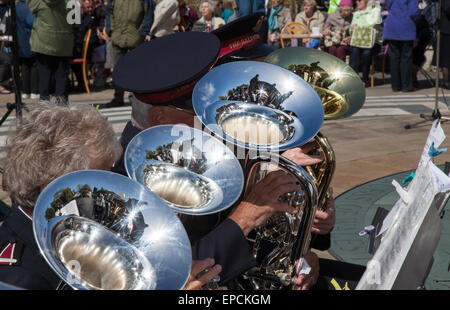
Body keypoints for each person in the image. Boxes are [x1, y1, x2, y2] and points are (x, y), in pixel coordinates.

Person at [112, 31, 338, 290]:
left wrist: (300, 255)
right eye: (196, 112)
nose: (210, 123)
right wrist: (245, 217)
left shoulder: (191, 146)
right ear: (160, 118)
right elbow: (168, 275)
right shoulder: (126, 176)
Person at [0, 101, 222, 290]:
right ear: (52, 186)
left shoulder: (71, 224)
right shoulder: (19, 275)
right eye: (98, 180)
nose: (111, 190)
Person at [102, 0, 154, 109]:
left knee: (135, 70)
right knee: (117, 70)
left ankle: (134, 98)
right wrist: (111, 30)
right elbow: (109, 11)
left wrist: (142, 32)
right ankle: (118, 97)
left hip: (135, 37)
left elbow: (148, 15)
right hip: (118, 36)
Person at [27, 0, 74, 104]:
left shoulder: (39, 2)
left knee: (44, 75)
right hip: (63, 43)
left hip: (43, 41)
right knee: (61, 75)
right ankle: (61, 105)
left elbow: (29, 5)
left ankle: (44, 104)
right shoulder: (70, 2)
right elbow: (76, 22)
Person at [383, 0, 420, 92]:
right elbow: (414, 12)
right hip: (405, 27)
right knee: (406, 58)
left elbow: (387, 6)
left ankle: (395, 85)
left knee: (394, 58)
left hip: (392, 27)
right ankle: (406, 85)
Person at [349, 0, 382, 87]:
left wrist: (359, 26)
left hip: (373, 42)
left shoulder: (375, 11)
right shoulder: (356, 14)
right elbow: (351, 29)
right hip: (359, 42)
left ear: (367, 2)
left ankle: (365, 78)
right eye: (356, 1)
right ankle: (355, 78)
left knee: (366, 53)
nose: (357, 2)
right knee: (354, 50)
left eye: (360, 1)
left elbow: (373, 23)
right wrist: (353, 28)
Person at [16, 0, 38, 99]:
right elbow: (32, 22)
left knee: (25, 66)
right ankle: (34, 91)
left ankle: (25, 91)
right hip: (31, 38)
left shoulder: (16, 7)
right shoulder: (30, 6)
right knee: (34, 65)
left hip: (21, 40)